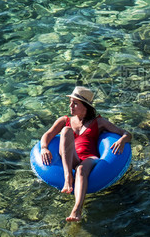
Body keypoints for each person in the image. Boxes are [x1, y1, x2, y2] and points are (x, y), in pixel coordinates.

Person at [39, 86, 132, 222]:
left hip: (90, 158)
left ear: (86, 107)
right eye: (70, 102)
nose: (71, 106)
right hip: (72, 157)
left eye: (75, 103)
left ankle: (77, 209)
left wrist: (122, 140)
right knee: (65, 131)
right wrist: (44, 148)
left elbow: (127, 133)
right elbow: (47, 134)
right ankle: (68, 177)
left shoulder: (98, 122)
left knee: (82, 169)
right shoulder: (65, 120)